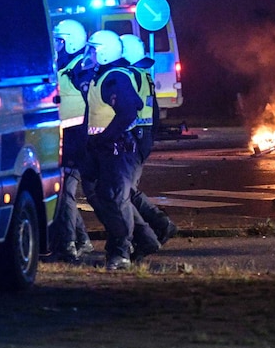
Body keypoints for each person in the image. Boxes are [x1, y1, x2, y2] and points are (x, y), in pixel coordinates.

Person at [80, 30, 158, 270]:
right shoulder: (103, 75)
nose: (89, 54)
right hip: (104, 150)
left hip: (117, 150)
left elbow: (128, 110)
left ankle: (121, 253)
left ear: (103, 53)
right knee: (107, 197)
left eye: (93, 50)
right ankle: (141, 241)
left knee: (116, 199)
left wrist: (105, 137)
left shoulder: (115, 78)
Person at [120, 34, 178, 260]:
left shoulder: (130, 77)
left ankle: (157, 228)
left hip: (131, 141)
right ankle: (159, 226)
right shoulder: (144, 76)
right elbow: (153, 114)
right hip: (140, 140)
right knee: (127, 191)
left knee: (123, 193)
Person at [47, 19, 95, 262]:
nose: (55, 44)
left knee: (64, 194)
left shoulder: (80, 68)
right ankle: (82, 240)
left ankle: (67, 248)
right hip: (65, 139)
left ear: (70, 42)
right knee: (63, 193)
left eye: (59, 40)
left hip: (76, 140)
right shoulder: (65, 65)